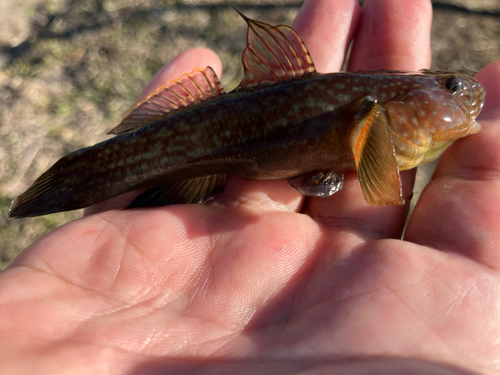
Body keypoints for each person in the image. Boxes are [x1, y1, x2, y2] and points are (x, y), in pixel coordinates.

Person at [1, 0, 499, 373]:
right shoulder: (371, 111)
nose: (461, 93)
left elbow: (377, 174)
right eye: (451, 86)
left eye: (449, 84)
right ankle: (85, 176)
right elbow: (383, 187)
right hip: (196, 148)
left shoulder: (378, 114)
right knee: (102, 167)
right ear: (388, 108)